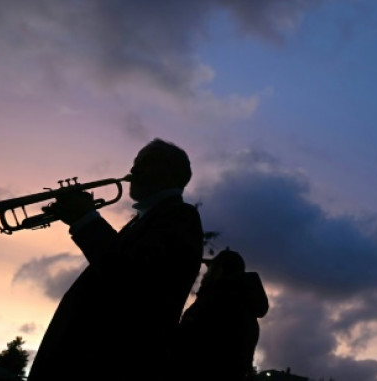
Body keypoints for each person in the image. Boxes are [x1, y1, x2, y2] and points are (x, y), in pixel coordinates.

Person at [27, 138, 204, 380]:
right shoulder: (146, 219)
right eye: (134, 163)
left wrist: (85, 220)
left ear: (170, 172)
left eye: (144, 163)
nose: (133, 171)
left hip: (108, 362)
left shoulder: (180, 217)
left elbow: (130, 276)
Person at [177, 248, 269, 380]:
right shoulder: (243, 309)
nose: (206, 273)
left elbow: (186, 341)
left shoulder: (217, 301)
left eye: (211, 267)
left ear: (221, 270)